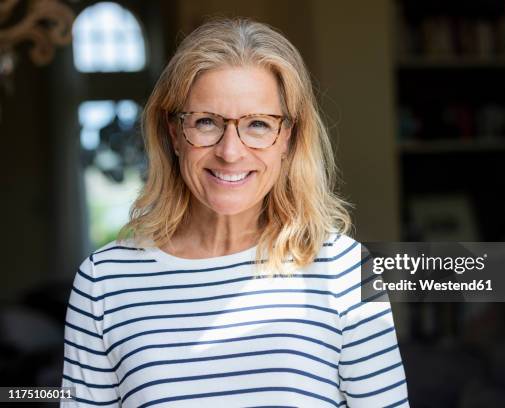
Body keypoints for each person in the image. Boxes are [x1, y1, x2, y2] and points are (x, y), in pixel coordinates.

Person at [61, 17, 409, 407]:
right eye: (207, 122)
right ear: (175, 134)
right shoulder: (104, 284)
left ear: (288, 139)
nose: (230, 151)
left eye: (258, 124)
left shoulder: (344, 269)